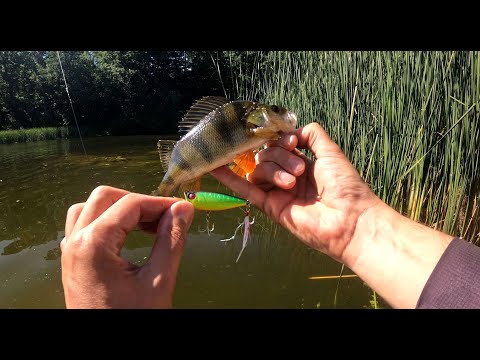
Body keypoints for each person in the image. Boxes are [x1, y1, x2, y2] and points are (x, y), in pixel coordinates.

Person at [61, 123, 480, 309]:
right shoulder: (251, 125)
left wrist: (356, 226)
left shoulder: (256, 132)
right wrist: (361, 230)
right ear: (257, 119)